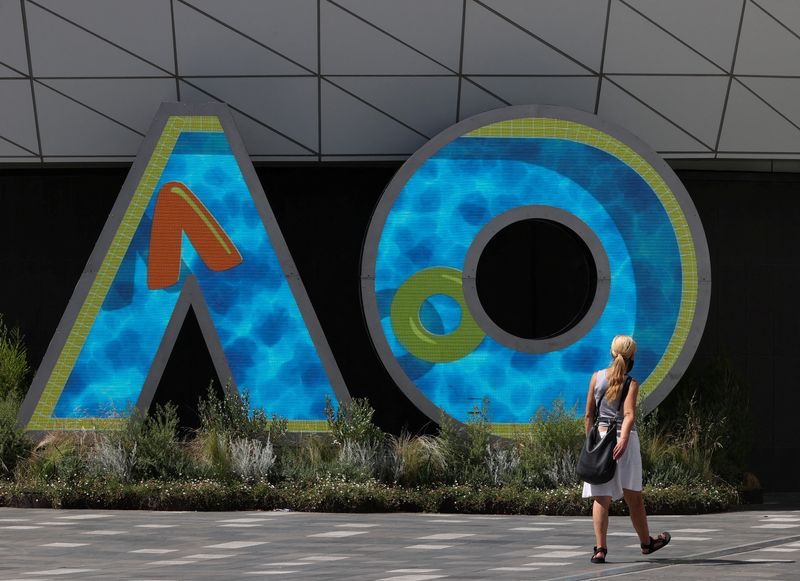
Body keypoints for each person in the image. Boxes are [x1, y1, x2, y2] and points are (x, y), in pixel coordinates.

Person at [582, 335, 671, 564]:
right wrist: (622, 440)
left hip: (600, 439)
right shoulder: (631, 383)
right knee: (634, 497)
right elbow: (629, 414)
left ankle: (600, 549)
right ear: (632, 356)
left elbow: (589, 415)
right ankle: (646, 543)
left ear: (611, 353)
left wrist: (591, 441)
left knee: (601, 498)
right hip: (626, 440)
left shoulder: (596, 378)